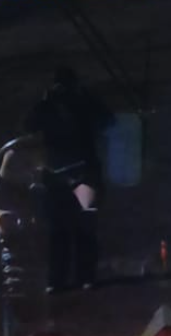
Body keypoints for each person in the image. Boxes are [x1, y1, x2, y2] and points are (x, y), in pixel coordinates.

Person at [24, 67, 114, 290]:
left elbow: (107, 121)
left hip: (82, 173)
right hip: (57, 175)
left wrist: (84, 98)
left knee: (83, 227)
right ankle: (60, 280)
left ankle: (84, 278)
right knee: (59, 230)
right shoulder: (47, 108)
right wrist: (44, 102)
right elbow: (28, 126)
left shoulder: (84, 104)